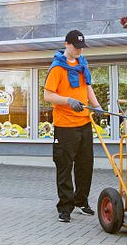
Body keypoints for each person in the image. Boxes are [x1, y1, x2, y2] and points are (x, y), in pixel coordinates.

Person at [43, 30, 104, 223]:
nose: (79, 50)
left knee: (85, 165)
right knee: (64, 166)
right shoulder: (57, 68)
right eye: (76, 47)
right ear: (66, 44)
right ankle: (65, 207)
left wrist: (96, 105)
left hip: (84, 122)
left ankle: (81, 201)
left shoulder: (82, 64)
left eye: (81, 47)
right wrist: (68, 100)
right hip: (65, 125)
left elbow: (87, 86)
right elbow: (48, 95)